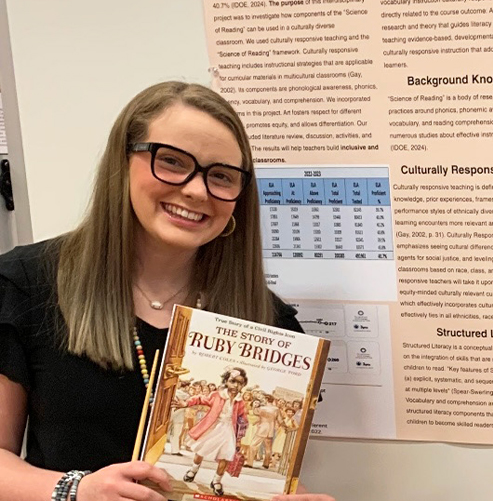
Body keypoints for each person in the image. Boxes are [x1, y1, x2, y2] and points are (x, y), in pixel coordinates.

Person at [0, 81, 334, 500]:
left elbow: (261, 477)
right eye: (173, 161)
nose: (196, 190)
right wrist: (77, 490)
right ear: (122, 163)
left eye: (221, 176)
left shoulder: (268, 319)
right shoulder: (25, 285)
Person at [182, 367, 249, 496]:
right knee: (201, 450)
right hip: (213, 426)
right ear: (226, 381)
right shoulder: (217, 395)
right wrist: (186, 403)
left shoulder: (240, 402)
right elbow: (201, 399)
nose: (236, 385)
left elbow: (242, 420)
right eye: (233, 381)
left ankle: (216, 481)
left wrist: (239, 439)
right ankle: (193, 470)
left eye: (240, 383)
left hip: (229, 430)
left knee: (226, 455)